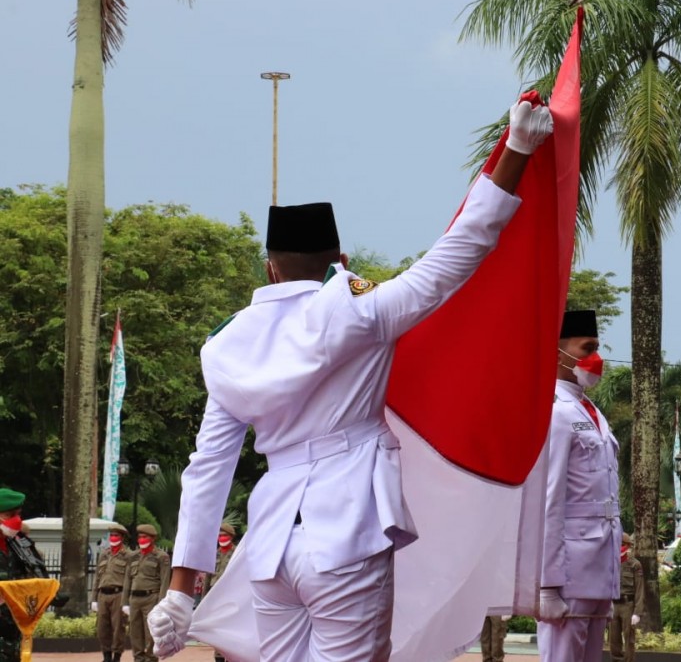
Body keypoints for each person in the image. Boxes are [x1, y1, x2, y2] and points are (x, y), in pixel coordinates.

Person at [147, 96, 553, 662]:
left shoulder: (226, 348)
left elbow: (208, 470)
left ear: (270, 266)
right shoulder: (362, 311)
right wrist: (517, 150)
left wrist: (180, 590)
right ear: (339, 258)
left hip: (270, 547)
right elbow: (459, 251)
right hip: (347, 531)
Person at [536, 309, 621, 662]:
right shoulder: (553, 410)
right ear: (558, 353)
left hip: (598, 565)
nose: (595, 358)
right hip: (568, 568)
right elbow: (548, 500)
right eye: (587, 348)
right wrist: (546, 585)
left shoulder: (591, 411)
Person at [0, 487, 49, 662]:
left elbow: (35, 573)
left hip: (14, 621)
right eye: (9, 515)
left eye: (18, 514)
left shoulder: (20, 543)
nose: (16, 520)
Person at [123, 524, 170, 662]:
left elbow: (165, 581)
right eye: (140, 537)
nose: (141, 540)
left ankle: (151, 658)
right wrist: (124, 602)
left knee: (151, 632)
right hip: (134, 598)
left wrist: (161, 604)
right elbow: (127, 579)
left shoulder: (161, 557)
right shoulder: (133, 556)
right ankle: (138, 658)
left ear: (153, 538)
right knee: (135, 632)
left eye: (145, 537)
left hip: (151, 597)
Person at [92, 523, 133, 662]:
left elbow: (130, 579)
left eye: (116, 535)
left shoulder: (128, 555)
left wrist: (127, 600)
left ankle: (116, 656)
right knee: (102, 628)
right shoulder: (104, 554)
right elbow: (97, 577)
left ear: (122, 538)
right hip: (103, 594)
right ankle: (106, 656)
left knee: (118, 629)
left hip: (118, 594)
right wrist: (94, 599)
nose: (113, 537)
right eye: (112, 535)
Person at [203, 523, 237, 662]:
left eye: (224, 535)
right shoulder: (214, 553)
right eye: (220, 536)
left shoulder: (237, 553)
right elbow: (207, 578)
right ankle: (218, 656)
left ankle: (231, 656)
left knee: (230, 629)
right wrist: (205, 599)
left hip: (231, 597)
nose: (221, 538)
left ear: (231, 537)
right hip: (215, 596)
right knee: (216, 630)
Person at [610, 532, 644, 662]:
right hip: (613, 605)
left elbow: (640, 589)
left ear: (628, 545)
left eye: (623, 544)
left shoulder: (634, 565)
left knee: (629, 638)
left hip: (627, 605)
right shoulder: (611, 563)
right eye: (617, 544)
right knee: (613, 639)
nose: (620, 547)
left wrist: (637, 612)